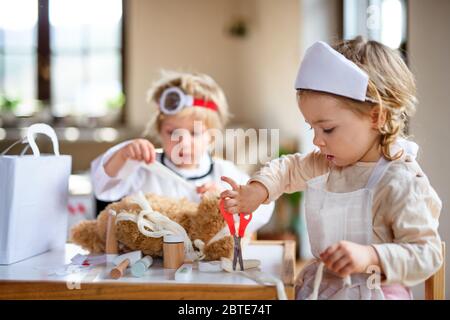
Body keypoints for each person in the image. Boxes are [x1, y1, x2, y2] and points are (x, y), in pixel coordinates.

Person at [219, 37, 443, 299]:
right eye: (311, 127)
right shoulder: (327, 164)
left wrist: (370, 255)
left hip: (377, 292)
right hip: (324, 288)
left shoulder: (402, 182)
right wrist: (258, 190)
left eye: (327, 129)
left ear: (376, 117)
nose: (316, 140)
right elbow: (287, 169)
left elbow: (427, 254)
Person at [91, 70, 274, 233]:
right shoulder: (144, 168)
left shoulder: (223, 173)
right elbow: (103, 187)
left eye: (194, 133)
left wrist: (230, 203)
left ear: (211, 137)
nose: (183, 142)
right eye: (172, 132)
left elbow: (262, 210)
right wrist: (123, 155)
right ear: (159, 132)